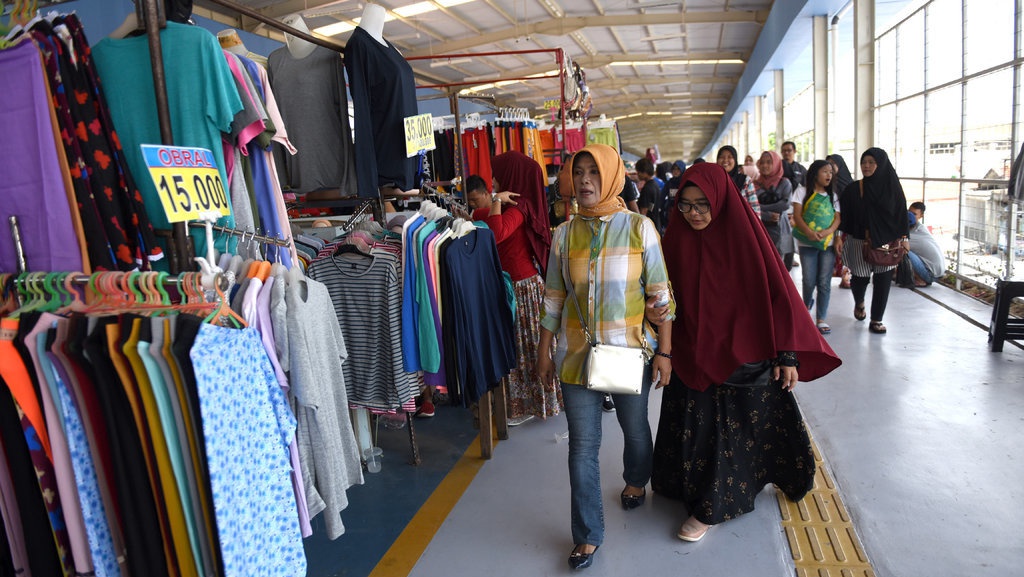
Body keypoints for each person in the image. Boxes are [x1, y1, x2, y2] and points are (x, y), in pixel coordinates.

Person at [648, 162, 840, 543]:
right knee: (698, 423)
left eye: (702, 204)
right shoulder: (676, 239)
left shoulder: (746, 236)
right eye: (684, 205)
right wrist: (655, 317)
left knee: (727, 430)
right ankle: (693, 488)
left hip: (743, 352)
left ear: (721, 199)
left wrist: (787, 355)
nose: (694, 214)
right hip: (691, 350)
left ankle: (712, 506)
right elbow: (659, 293)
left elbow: (780, 294)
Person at [536, 143, 674, 570]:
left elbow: (662, 297)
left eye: (593, 172)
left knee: (635, 430)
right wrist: (544, 351)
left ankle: (636, 479)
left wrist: (665, 352)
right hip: (576, 358)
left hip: (629, 354)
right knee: (582, 447)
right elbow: (554, 299)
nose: (584, 181)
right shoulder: (563, 235)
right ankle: (588, 535)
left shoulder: (639, 229)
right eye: (578, 173)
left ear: (612, 176)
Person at [467, 152, 560, 426]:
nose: (493, 181)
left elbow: (495, 233)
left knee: (525, 347)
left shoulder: (519, 208)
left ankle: (527, 405)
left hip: (522, 287)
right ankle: (526, 402)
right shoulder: (511, 207)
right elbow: (482, 217)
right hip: (515, 284)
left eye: (497, 175)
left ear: (511, 177)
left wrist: (495, 201)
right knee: (520, 346)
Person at [837, 148, 910, 334]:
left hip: (887, 243)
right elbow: (844, 214)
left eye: (871, 162)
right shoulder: (854, 189)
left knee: (883, 280)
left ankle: (877, 319)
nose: (866, 166)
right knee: (860, 278)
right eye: (863, 162)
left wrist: (904, 238)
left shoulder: (893, 189)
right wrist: (839, 235)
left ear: (881, 164)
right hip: (860, 241)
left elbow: (901, 214)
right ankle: (859, 301)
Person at [791, 160, 842, 334]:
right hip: (806, 243)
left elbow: (837, 219)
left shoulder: (832, 196)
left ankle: (821, 318)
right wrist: (809, 233)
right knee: (809, 280)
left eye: (830, 172)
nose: (829, 175)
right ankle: (805, 311)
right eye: (825, 171)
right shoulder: (801, 191)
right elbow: (797, 216)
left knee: (824, 281)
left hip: (826, 244)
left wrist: (829, 232)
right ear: (815, 173)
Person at [754, 151, 794, 268]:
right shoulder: (754, 184)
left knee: (780, 267)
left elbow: (785, 205)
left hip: (780, 229)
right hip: (760, 229)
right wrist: (767, 214)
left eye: (769, 162)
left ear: (776, 164)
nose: (764, 165)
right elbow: (750, 207)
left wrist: (760, 207)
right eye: (762, 162)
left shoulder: (784, 183)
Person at [827, 154, 854, 289]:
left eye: (833, 163)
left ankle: (846, 278)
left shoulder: (850, 184)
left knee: (845, 252)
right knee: (834, 252)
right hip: (831, 223)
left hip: (848, 224)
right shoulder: (828, 183)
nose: (830, 166)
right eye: (828, 163)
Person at [716, 145, 760, 216]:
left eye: (730, 157)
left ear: (735, 160)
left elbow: (754, 207)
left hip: (741, 223)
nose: (725, 160)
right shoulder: (713, 181)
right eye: (721, 157)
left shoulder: (745, 181)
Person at [906, 210, 945, 286]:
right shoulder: (921, 229)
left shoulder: (910, 237)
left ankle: (920, 280)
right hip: (938, 273)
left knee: (903, 249)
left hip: (930, 275)